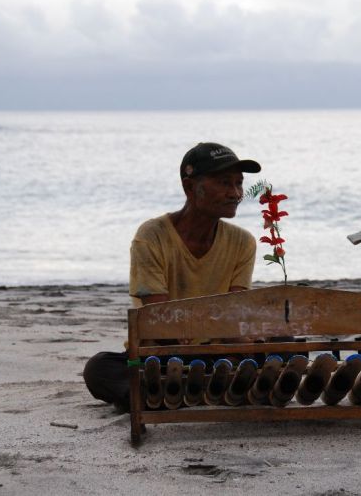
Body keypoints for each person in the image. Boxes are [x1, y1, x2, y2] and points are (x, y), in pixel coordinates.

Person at [82, 142, 262, 411]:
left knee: (285, 344)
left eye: (238, 184)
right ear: (190, 188)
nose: (235, 193)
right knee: (99, 368)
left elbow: (232, 313)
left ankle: (173, 394)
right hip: (162, 357)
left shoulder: (242, 242)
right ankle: (195, 390)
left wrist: (246, 341)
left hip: (216, 355)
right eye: (225, 183)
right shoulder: (152, 235)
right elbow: (161, 319)